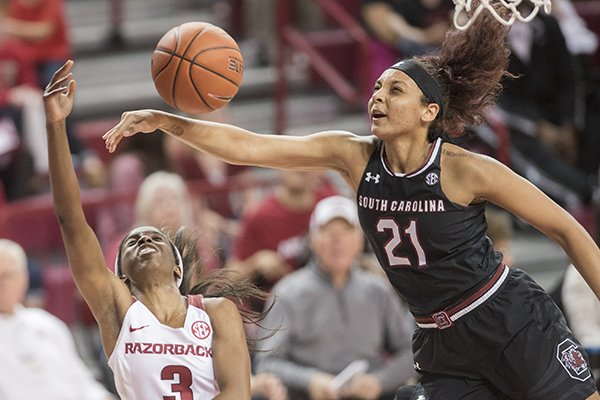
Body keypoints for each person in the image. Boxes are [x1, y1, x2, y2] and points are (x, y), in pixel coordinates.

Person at [102, 5, 600, 398]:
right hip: (437, 337)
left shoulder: (464, 168)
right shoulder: (353, 156)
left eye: (395, 89)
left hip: (506, 315)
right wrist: (170, 121)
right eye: (377, 87)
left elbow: (566, 230)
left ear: (429, 112)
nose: (377, 96)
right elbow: (252, 146)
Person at [44, 61, 256, 399]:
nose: (143, 238)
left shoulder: (217, 311)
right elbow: (71, 220)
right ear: (123, 277)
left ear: (177, 267)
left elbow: (237, 394)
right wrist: (55, 125)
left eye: (155, 237)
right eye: (132, 242)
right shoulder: (119, 312)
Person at [254, 195, 416, 400]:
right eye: (328, 232)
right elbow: (266, 363)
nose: (337, 240)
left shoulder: (377, 290)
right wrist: (311, 380)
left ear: (359, 241)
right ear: (312, 239)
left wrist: (379, 381)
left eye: (346, 231)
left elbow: (411, 352)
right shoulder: (287, 292)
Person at [0, 239, 115, 400]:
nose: (2, 284)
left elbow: (81, 382)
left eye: (8, 276)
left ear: (23, 278)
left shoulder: (46, 324)